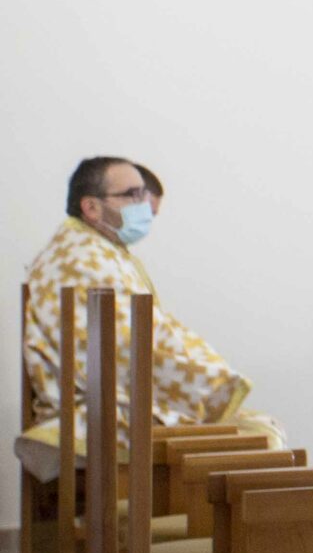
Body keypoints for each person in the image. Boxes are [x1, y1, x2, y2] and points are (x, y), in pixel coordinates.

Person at [22, 156, 282, 443]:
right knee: (260, 435)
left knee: (257, 426)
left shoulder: (89, 249)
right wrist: (212, 377)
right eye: (133, 194)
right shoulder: (83, 259)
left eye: (144, 195)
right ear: (91, 207)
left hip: (103, 402)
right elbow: (129, 344)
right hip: (95, 414)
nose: (144, 205)